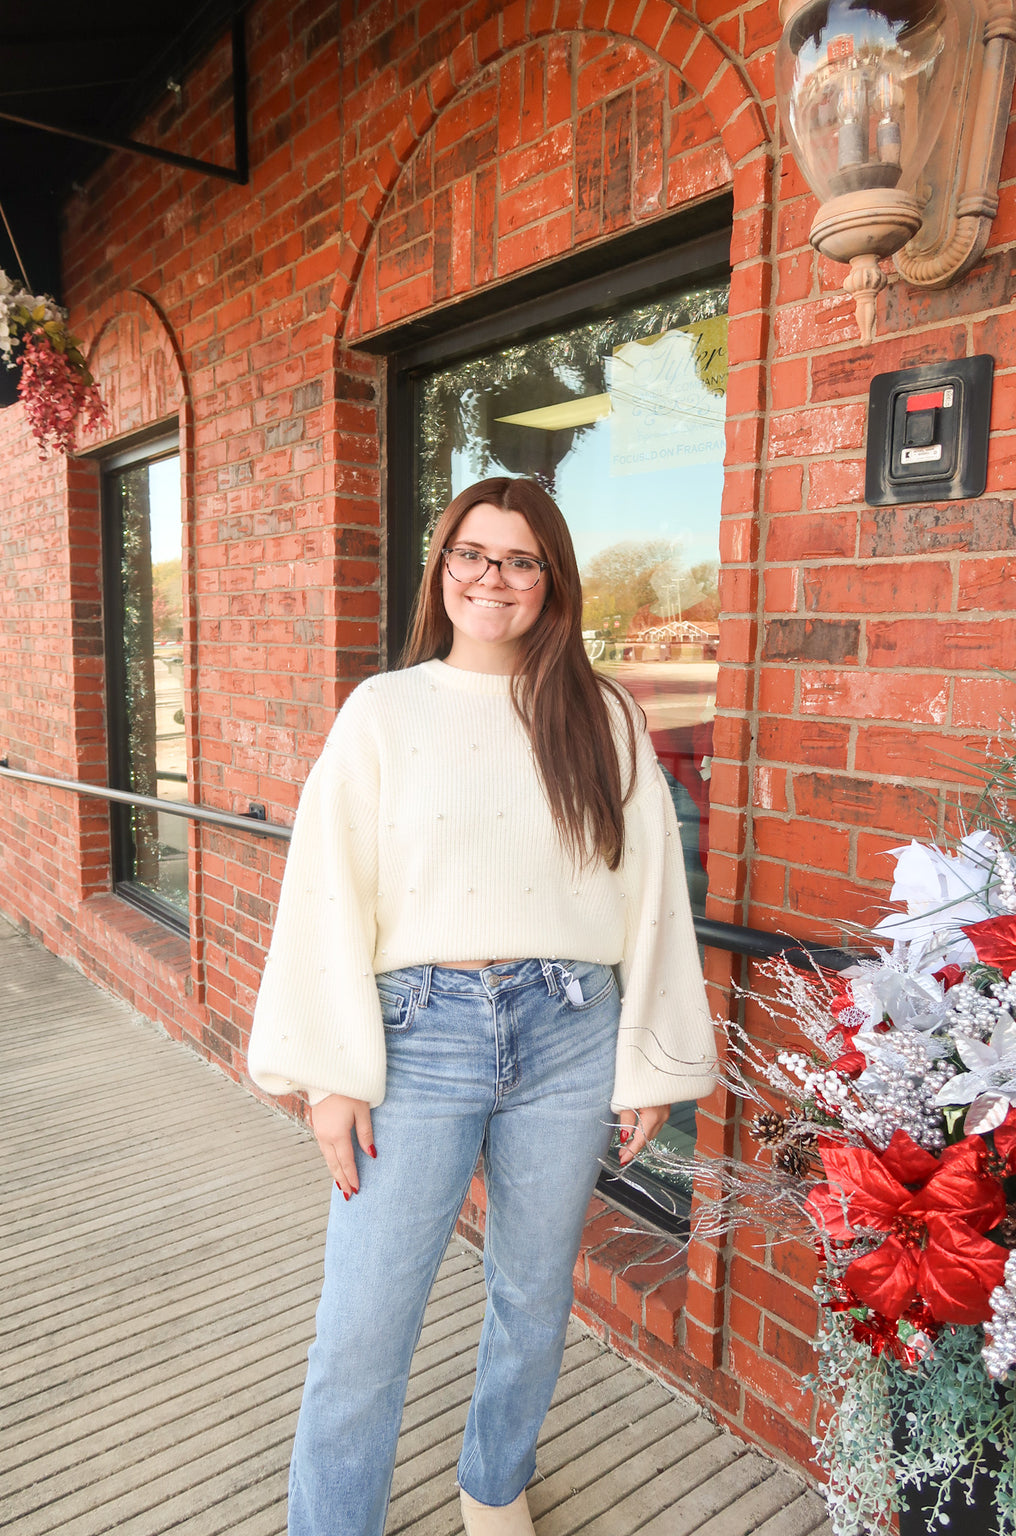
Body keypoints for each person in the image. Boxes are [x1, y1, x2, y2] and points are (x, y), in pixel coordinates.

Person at [247, 477, 718, 1536]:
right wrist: (329, 1076)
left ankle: (494, 1483)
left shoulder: (603, 715)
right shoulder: (384, 710)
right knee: (363, 1324)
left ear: (552, 582)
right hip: (418, 1036)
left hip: (569, 1027)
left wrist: (649, 1062)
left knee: (534, 1297)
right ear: (441, 568)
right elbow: (325, 890)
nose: (490, 578)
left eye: (517, 560)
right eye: (470, 553)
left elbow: (650, 896)